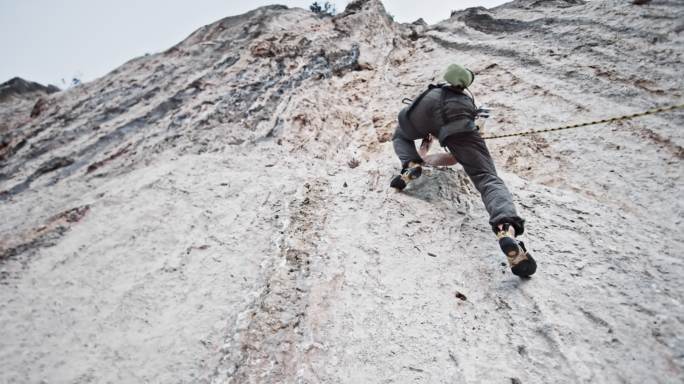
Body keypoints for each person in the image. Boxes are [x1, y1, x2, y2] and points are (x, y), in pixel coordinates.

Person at [390, 64, 537, 277]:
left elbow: (409, 116)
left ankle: (410, 164)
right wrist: (471, 136)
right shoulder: (465, 102)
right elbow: (455, 156)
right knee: (487, 178)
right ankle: (505, 228)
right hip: (457, 120)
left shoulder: (433, 91)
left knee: (400, 135)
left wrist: (422, 156)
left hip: (420, 110)